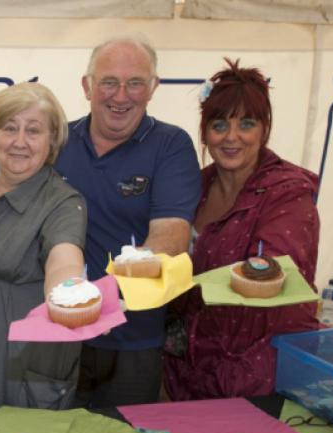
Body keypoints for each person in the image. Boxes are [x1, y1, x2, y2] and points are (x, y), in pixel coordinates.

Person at [54, 36, 201, 408]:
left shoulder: (171, 145)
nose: (121, 96)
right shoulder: (56, 143)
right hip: (58, 336)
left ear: (153, 88)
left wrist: (92, 300)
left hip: (132, 341)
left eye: (135, 82)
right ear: (87, 86)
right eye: (109, 82)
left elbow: (170, 238)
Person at [164, 59, 320, 400]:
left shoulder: (287, 191)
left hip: (257, 376)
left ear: (264, 129)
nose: (231, 137)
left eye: (246, 124)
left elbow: (276, 271)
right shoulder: (195, 187)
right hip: (188, 374)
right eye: (219, 125)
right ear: (204, 131)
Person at [0, 82, 87, 428]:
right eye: (9, 128)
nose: (20, 141)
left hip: (21, 364)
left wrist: (68, 292)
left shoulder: (64, 202)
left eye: (34, 130)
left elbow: (65, 258)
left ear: (52, 140)